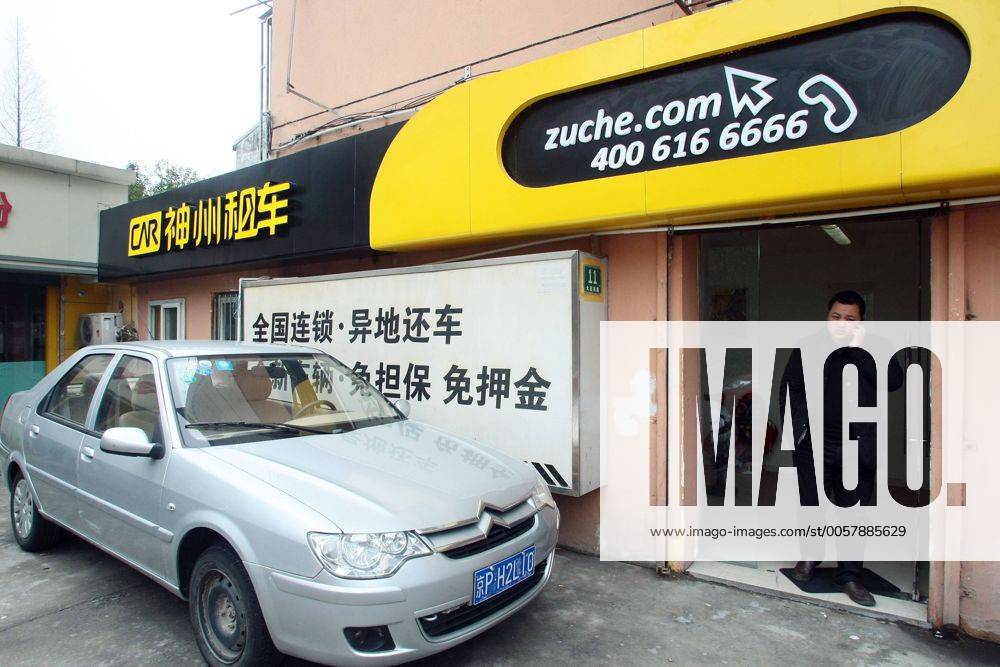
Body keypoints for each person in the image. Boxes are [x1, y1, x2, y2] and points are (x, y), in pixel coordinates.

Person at [786, 290, 903, 607]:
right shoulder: (810, 345)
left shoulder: (875, 346)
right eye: (836, 316)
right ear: (827, 316)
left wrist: (859, 346)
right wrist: (799, 434)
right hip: (814, 444)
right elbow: (791, 387)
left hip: (857, 444)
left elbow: (893, 381)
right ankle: (809, 559)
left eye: (850, 318)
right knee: (812, 505)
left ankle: (850, 575)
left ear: (862, 321)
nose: (841, 323)